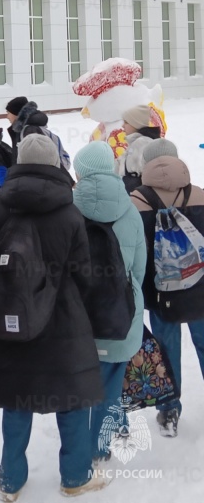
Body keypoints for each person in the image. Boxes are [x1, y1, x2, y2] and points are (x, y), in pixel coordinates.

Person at [0, 134, 106, 499]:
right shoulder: (69, 211)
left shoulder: (0, 208)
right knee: (71, 399)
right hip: (64, 322)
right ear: (54, 164)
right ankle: (75, 476)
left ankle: (11, 480)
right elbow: (84, 272)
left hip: (11, 320)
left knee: (16, 400)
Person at [72, 142, 146, 463]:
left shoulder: (68, 209)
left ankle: (93, 443)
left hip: (79, 315)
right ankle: (107, 437)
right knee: (114, 375)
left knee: (88, 380)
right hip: (121, 313)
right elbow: (139, 268)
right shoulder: (130, 209)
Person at [130, 139, 204, 438]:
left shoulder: (135, 200)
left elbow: (133, 252)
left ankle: (169, 410)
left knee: (166, 349)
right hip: (201, 289)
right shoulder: (198, 194)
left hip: (161, 295)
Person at [10, 100, 71, 169]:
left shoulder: (30, 131)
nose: (7, 116)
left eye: (8, 113)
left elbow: (37, 162)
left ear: (17, 114)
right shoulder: (29, 128)